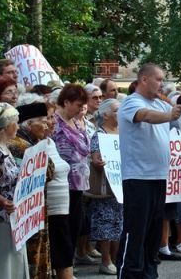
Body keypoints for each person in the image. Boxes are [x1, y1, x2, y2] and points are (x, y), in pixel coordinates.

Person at [116, 63, 181, 278]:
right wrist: (170, 114)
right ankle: (129, 272)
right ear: (144, 79)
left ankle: (149, 272)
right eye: (159, 79)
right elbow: (145, 116)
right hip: (138, 177)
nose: (161, 84)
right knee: (136, 229)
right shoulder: (131, 102)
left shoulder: (162, 105)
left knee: (154, 231)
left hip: (158, 176)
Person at [9, 100, 52, 279]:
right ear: (28, 124)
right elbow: (49, 173)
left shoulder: (32, 142)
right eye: (42, 121)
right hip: (25, 211)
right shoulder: (21, 145)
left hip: (34, 208)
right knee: (32, 253)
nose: (46, 124)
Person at [52, 84, 90, 261]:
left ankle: (70, 262)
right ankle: (63, 264)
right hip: (61, 182)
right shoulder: (54, 122)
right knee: (63, 226)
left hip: (78, 181)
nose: (80, 108)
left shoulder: (76, 121)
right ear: (66, 102)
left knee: (75, 223)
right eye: (77, 104)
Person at [88, 99, 123, 275]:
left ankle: (117, 259)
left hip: (121, 187)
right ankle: (106, 260)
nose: (120, 113)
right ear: (106, 114)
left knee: (119, 223)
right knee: (106, 224)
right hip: (106, 188)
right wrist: (98, 161)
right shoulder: (99, 134)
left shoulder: (123, 132)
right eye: (117, 110)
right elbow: (95, 158)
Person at [0, 103, 29, 279]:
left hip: (13, 217)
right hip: (3, 216)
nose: (18, 126)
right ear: (6, 125)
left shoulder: (5, 147)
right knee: (4, 262)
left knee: (13, 260)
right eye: (15, 122)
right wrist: (2, 201)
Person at [45, 102, 74, 279]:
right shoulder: (32, 144)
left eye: (52, 117)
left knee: (63, 247)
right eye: (47, 118)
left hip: (61, 207)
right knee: (58, 249)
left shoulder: (49, 141)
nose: (52, 122)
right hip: (48, 208)